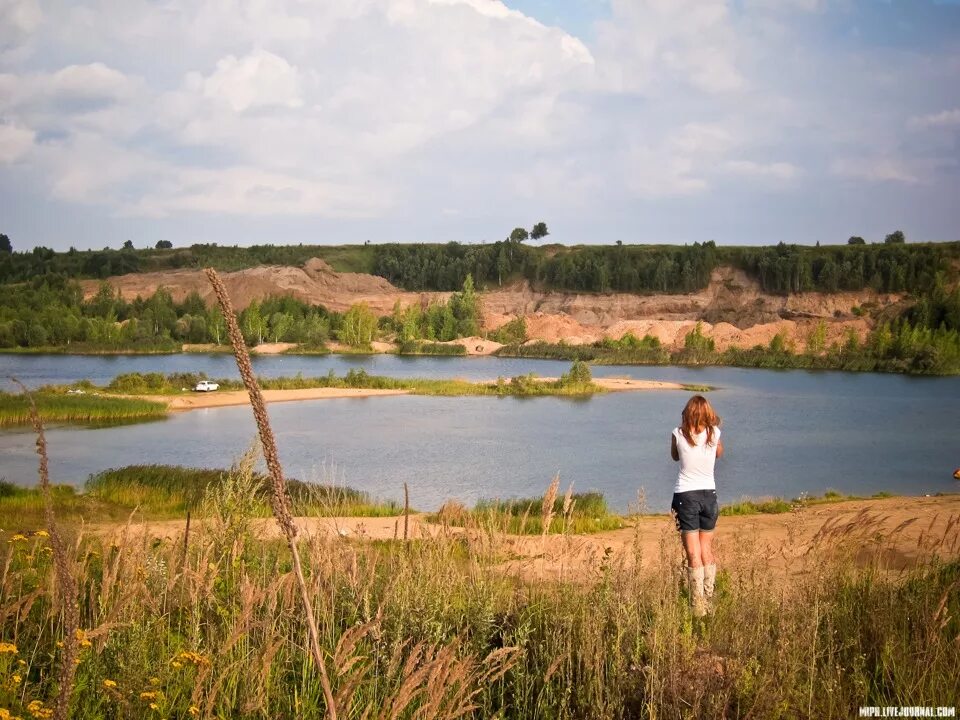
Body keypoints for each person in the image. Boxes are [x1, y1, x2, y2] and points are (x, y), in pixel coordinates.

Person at [670, 395, 723, 617]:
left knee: (693, 553)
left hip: (686, 495)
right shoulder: (715, 434)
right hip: (709, 495)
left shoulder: (677, 433)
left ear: (688, 412)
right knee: (706, 551)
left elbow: (674, 457)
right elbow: (719, 454)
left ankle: (697, 607)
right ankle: (708, 601)